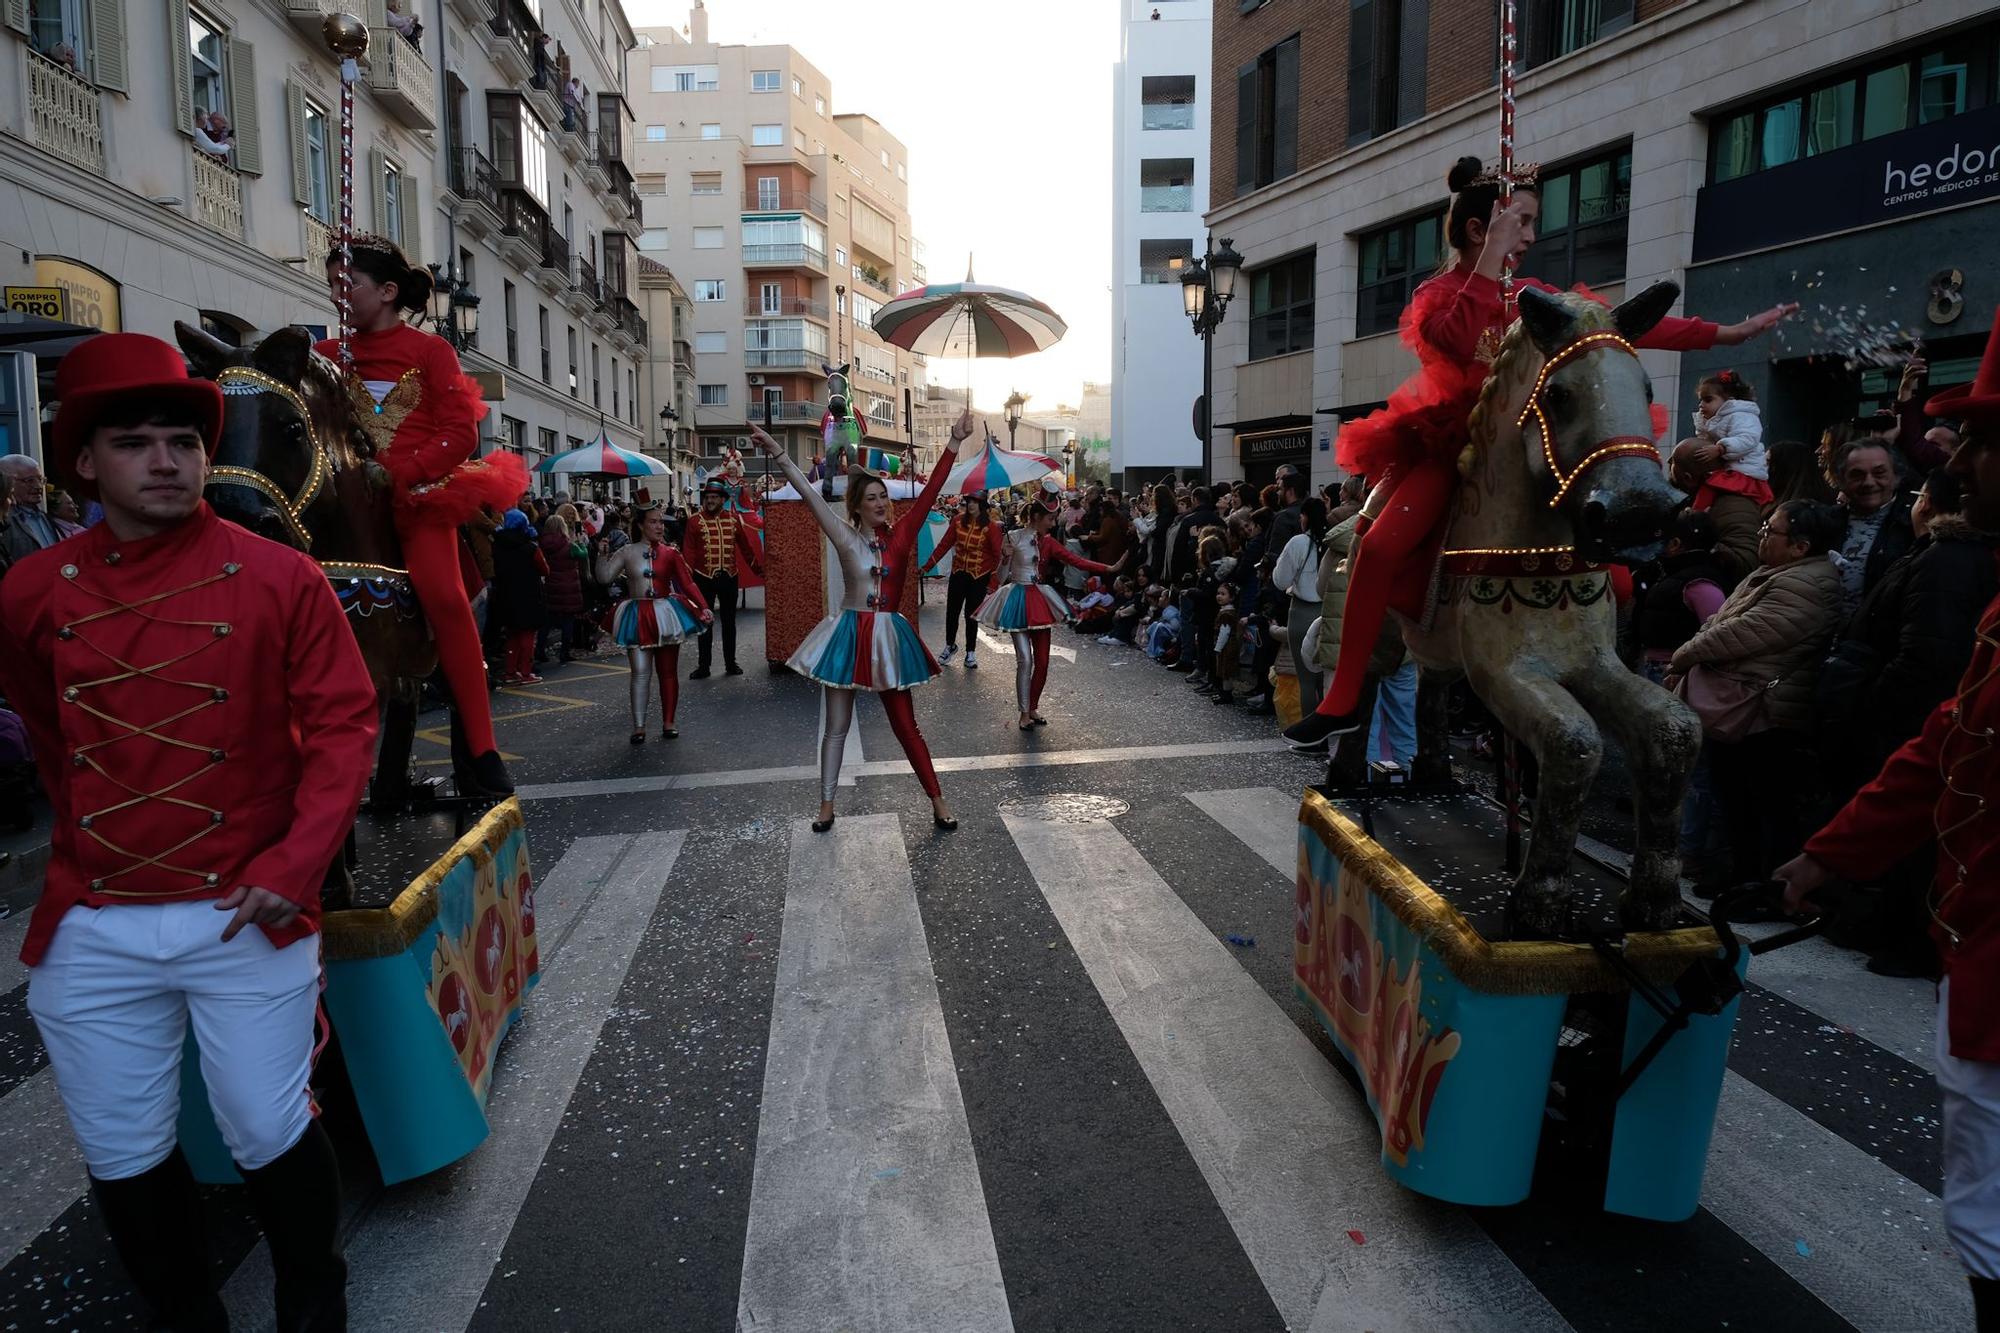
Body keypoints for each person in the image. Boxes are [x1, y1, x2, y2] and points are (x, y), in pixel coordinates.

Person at [0, 332, 377, 1330]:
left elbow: (345, 729)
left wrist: (293, 868)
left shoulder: (281, 577)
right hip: (95, 917)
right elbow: (50, 733)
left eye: (183, 439)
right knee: (122, 1145)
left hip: (243, 908)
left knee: (265, 1122)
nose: (166, 460)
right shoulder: (30, 592)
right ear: (83, 461)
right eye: (135, 442)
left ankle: (311, 1299)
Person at [1286, 154, 1794, 747]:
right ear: (1481, 229)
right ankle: (1346, 695)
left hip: (1531, 445)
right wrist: (1490, 264)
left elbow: (1617, 325)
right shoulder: (1442, 293)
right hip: (1452, 444)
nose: (1529, 236)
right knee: (1377, 548)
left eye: (1529, 225)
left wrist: (1724, 333)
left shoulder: (1537, 294)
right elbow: (1450, 336)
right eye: (1520, 223)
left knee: (1622, 583)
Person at [1777, 315, 2000, 1324]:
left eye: (1982, 441)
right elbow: (1946, 748)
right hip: (1976, 946)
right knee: (1981, 1202)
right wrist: (1825, 855)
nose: (1960, 460)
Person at [316, 234, 527, 797]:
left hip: (421, 497)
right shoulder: (328, 358)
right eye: (332, 283)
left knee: (445, 597)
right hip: (350, 500)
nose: (339, 294)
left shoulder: (432, 352)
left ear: (386, 291)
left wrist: (401, 471)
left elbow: (460, 432)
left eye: (349, 283)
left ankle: (482, 753)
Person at [750, 413, 968, 832]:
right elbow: (805, 492)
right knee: (837, 726)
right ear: (857, 506)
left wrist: (954, 443)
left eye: (883, 496)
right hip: (849, 635)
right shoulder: (842, 534)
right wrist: (777, 452)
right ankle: (826, 805)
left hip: (887, 637)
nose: (881, 503)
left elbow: (931, 493)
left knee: (907, 726)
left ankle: (938, 801)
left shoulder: (903, 535)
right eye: (872, 498)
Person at [1669, 500, 1847, 892]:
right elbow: (1720, 621)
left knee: (1760, 802)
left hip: (1765, 712)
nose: (1761, 536)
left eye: (1770, 531)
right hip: (1746, 708)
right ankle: (1741, 875)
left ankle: (1758, 883)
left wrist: (1684, 655)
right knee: (1735, 798)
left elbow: (1737, 633)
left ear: (1800, 545)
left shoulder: (1808, 584)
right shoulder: (1775, 573)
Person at [977, 489, 1116, 730]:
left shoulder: (1049, 542)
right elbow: (999, 578)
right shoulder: (1012, 536)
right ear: (1036, 517)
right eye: (1050, 519)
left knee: (1042, 662)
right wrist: (1004, 559)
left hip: (1040, 600)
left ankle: (1033, 707)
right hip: (1017, 599)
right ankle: (1023, 713)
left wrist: (1108, 568)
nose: (1053, 524)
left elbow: (1077, 561)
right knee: (1025, 659)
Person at [596, 505, 710, 742]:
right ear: (640, 525)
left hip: (666, 614)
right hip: (636, 615)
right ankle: (639, 726)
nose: (660, 527)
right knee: (639, 673)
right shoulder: (627, 552)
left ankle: (669, 722)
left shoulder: (671, 553)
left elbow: (688, 584)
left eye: (661, 522)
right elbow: (604, 577)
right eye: (653, 522)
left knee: (668, 673)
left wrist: (703, 606)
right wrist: (601, 554)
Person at [683, 479, 763, 678]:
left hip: (729, 577)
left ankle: (730, 663)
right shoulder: (694, 521)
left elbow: (745, 548)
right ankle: (704, 666)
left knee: (729, 623)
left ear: (722, 499)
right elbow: (689, 552)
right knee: (705, 622)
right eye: (707, 497)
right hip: (703, 578)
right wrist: (687, 580)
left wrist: (759, 570)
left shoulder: (733, 519)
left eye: (713, 497)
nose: (709, 501)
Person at [1827, 439, 1916, 617]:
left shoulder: (1912, 524)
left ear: (1896, 477)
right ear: (1842, 480)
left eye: (1879, 473)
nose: (1868, 482)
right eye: (1857, 475)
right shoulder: (1826, 521)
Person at [921, 493, 1002, 668]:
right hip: (959, 573)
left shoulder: (992, 527)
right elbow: (944, 544)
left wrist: (993, 582)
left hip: (979, 576)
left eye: (976, 502)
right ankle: (950, 645)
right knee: (952, 612)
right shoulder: (957, 521)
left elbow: (997, 556)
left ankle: (970, 652)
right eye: (969, 501)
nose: (971, 505)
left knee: (971, 615)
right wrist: (926, 567)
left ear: (982, 505)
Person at [1677, 369, 1770, 513]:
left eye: (1708, 399)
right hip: (1731, 471)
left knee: (1709, 486)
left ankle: (1697, 514)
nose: (1701, 405)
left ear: (1729, 401)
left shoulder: (1742, 415)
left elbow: (1747, 439)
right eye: (1700, 400)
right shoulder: (1714, 421)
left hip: (1745, 472)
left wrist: (1720, 449)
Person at [490, 508, 547, 685]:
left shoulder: (497, 546)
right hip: (528, 594)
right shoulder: (531, 547)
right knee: (528, 635)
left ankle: (510, 671)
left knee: (512, 635)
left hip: (506, 593)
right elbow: (545, 569)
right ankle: (525, 671)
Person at [2, 453, 82, 565]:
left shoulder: (45, 517)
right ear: (10, 482)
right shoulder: (5, 522)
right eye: (30, 481)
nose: (38, 486)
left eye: (40, 480)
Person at [538, 511, 585, 665]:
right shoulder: (569, 545)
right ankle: (564, 653)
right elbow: (583, 555)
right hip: (568, 588)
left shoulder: (542, 545)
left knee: (546, 622)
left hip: (550, 586)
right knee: (567, 621)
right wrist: (581, 542)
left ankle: (539, 651)